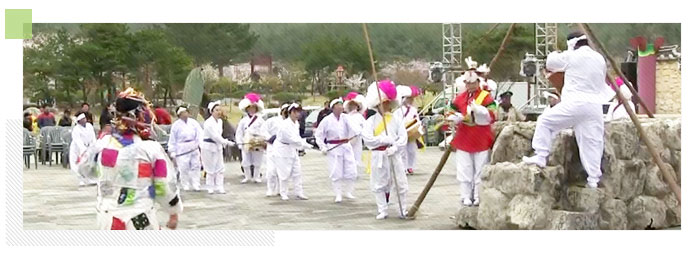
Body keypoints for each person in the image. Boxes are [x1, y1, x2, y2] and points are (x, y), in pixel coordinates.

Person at [75, 87, 181, 230]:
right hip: (140, 218)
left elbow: (83, 168)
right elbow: (163, 185)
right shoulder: (150, 149)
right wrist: (173, 211)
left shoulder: (102, 145)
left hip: (108, 218)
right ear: (141, 116)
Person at [523, 32, 613, 189]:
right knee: (592, 141)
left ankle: (541, 155)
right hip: (594, 106)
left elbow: (551, 62)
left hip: (575, 103)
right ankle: (593, 178)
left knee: (545, 121)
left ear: (572, 44)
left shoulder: (573, 56)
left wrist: (558, 53)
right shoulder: (599, 59)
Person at [446, 71, 498, 206]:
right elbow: (450, 112)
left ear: (478, 82)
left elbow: (494, 114)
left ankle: (478, 195)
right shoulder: (459, 98)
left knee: (480, 168)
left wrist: (483, 112)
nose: (471, 85)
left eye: (473, 83)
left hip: (481, 136)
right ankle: (465, 195)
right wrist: (455, 117)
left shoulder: (486, 97)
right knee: (464, 168)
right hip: (464, 136)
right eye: (468, 83)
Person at [361, 80, 409, 220]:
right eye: (383, 103)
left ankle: (402, 208)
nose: (386, 106)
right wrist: (382, 140)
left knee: (399, 182)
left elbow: (403, 137)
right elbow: (367, 138)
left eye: (388, 103)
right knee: (379, 182)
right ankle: (382, 209)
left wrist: (395, 147)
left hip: (393, 154)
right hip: (378, 155)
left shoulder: (396, 119)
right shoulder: (370, 121)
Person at [315, 98, 360, 203]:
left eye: (341, 105)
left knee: (351, 169)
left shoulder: (346, 118)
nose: (341, 107)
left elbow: (355, 128)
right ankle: (338, 194)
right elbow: (319, 134)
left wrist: (357, 132)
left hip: (345, 145)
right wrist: (323, 147)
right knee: (336, 171)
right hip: (333, 148)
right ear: (333, 107)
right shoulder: (326, 120)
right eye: (338, 105)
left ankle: (348, 191)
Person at [273, 103, 312, 201]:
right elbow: (292, 138)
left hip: (292, 149)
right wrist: (304, 144)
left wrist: (303, 144)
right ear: (290, 113)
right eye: (295, 112)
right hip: (282, 149)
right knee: (284, 172)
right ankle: (283, 193)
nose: (297, 114)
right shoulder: (285, 124)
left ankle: (299, 192)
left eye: (298, 112)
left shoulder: (296, 123)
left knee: (297, 171)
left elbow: (297, 137)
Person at [201, 101, 235, 194]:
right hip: (208, 147)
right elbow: (215, 136)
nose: (218, 112)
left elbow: (219, 135)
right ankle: (210, 187)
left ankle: (219, 186)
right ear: (211, 112)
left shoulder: (220, 122)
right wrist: (226, 142)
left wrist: (225, 143)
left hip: (218, 147)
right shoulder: (208, 123)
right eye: (216, 110)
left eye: (219, 110)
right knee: (210, 168)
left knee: (220, 168)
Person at [168, 105, 204, 192]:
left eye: (186, 112)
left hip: (193, 146)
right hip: (182, 148)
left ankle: (196, 184)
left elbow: (200, 134)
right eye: (182, 113)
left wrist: (201, 146)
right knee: (184, 167)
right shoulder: (176, 126)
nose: (185, 114)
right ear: (179, 115)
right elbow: (172, 139)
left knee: (196, 165)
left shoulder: (194, 123)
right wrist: (173, 152)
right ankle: (185, 184)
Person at [235, 93, 267, 184]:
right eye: (250, 108)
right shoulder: (243, 120)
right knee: (245, 160)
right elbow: (239, 132)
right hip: (246, 141)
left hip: (257, 141)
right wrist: (240, 142)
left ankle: (256, 176)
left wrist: (261, 139)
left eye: (253, 108)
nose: (251, 109)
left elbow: (264, 131)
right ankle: (247, 176)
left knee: (257, 160)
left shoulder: (260, 120)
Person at [394, 85, 424, 175]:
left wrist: (417, 126)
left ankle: (410, 166)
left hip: (411, 131)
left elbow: (417, 119)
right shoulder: (398, 111)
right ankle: (403, 167)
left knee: (412, 150)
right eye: (409, 99)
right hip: (402, 131)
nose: (411, 100)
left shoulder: (414, 110)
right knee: (402, 150)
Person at [262, 103, 289, 197]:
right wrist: (269, 137)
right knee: (271, 170)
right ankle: (270, 188)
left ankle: (280, 189)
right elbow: (263, 130)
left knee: (281, 170)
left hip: (283, 149)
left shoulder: (291, 123)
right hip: (272, 147)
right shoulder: (272, 121)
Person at [69, 113, 96, 186]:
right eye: (82, 119)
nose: (84, 120)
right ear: (79, 121)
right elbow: (77, 140)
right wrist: (83, 149)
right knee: (78, 164)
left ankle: (90, 179)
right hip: (77, 149)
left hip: (88, 147)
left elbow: (93, 137)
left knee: (89, 164)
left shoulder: (89, 126)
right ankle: (81, 179)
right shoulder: (76, 129)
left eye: (85, 119)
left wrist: (93, 146)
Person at [343, 92, 367, 173]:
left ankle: (355, 171)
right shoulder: (346, 117)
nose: (353, 107)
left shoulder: (359, 117)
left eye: (354, 105)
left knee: (356, 154)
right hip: (348, 139)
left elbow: (365, 127)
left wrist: (359, 133)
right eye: (351, 105)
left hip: (357, 138)